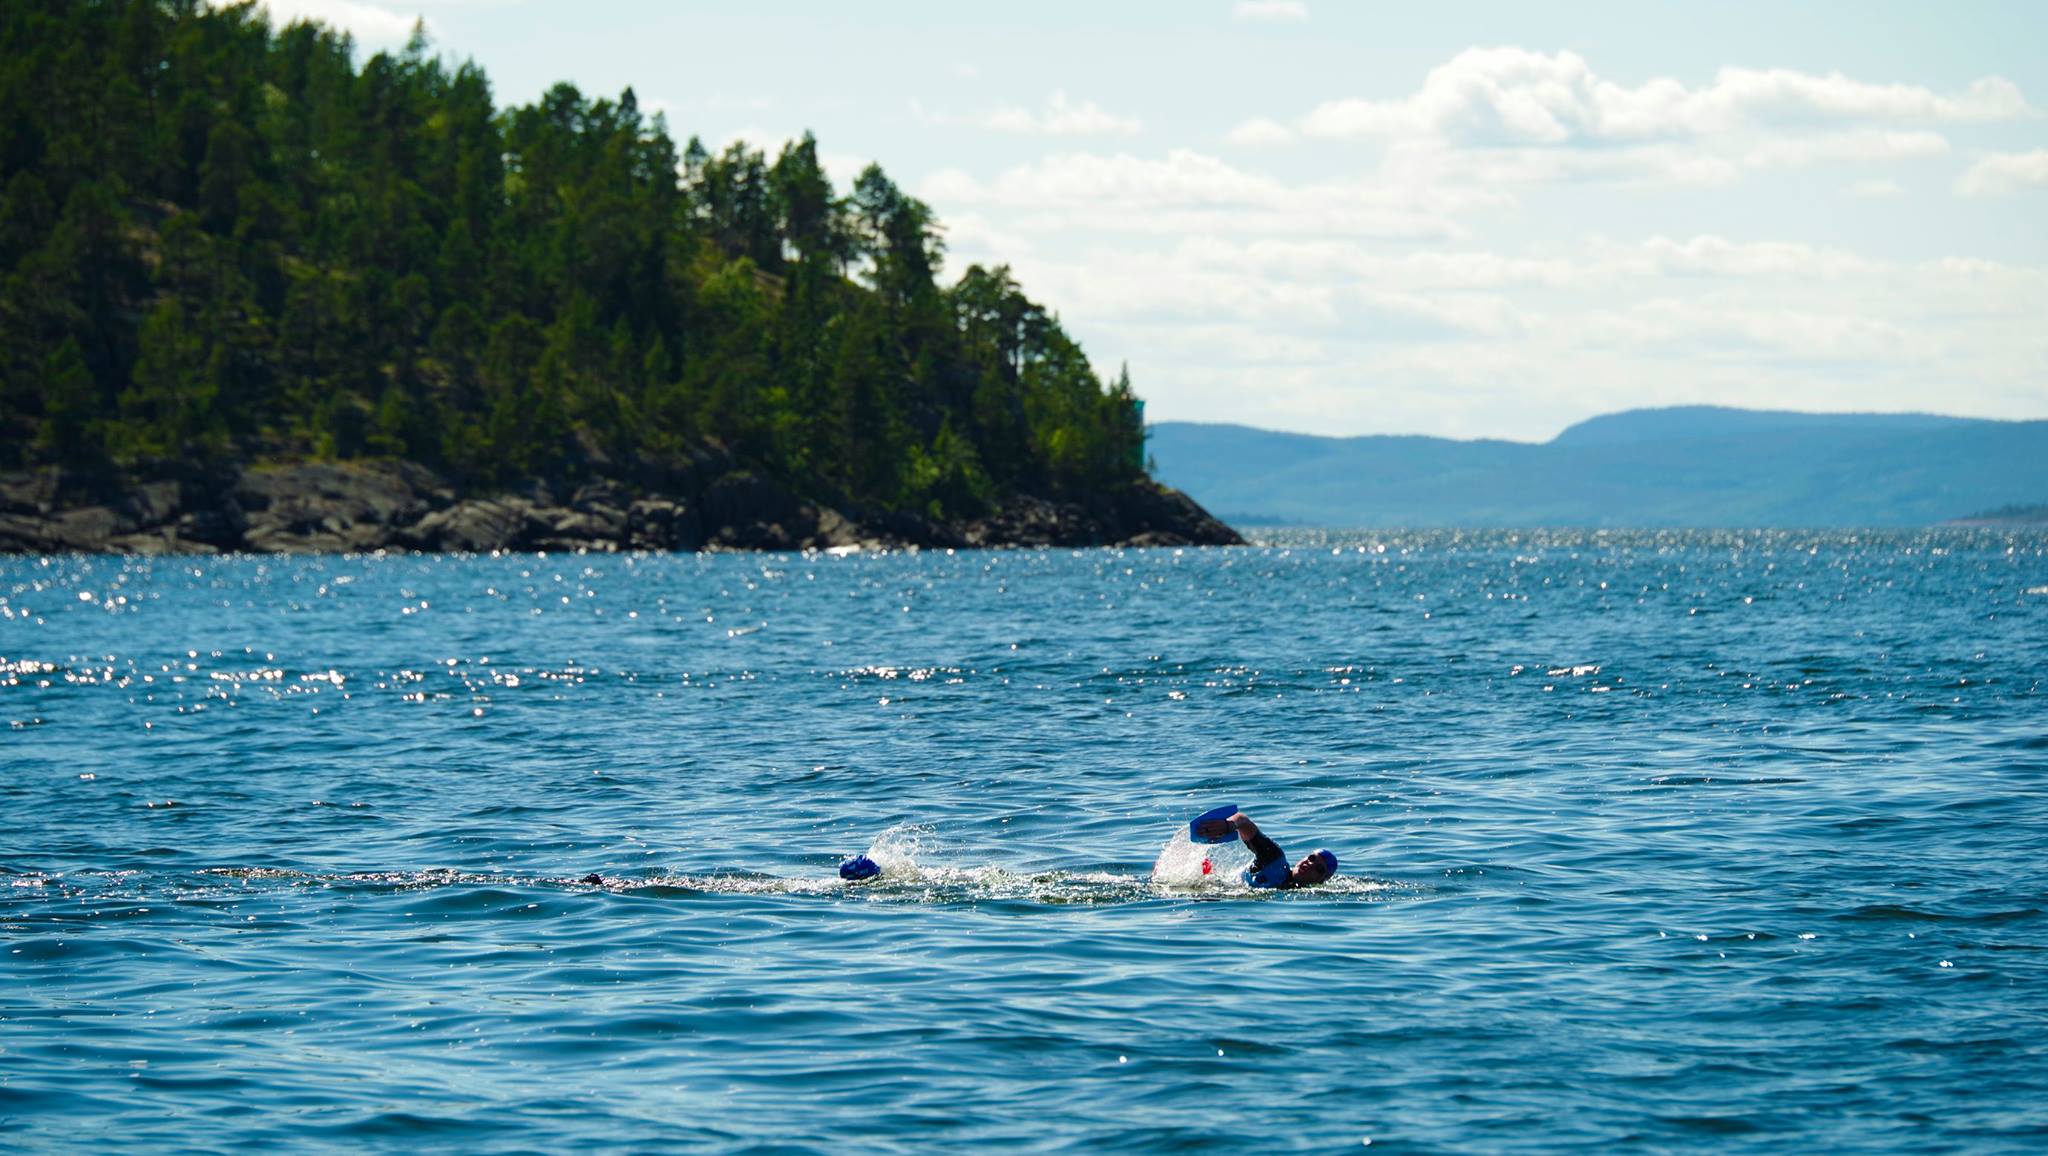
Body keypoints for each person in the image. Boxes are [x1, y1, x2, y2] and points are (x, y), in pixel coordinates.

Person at [1209, 811, 1337, 889]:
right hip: (1216, 886)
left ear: (1321, 881)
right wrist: (1229, 825)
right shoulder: (1274, 859)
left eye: (1319, 869)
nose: (1310, 864)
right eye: (1312, 858)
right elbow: (1243, 821)